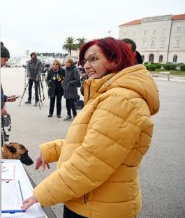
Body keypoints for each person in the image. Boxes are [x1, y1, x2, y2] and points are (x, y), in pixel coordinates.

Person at [21, 37, 160, 218]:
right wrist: (52, 150)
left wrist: (41, 194)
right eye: (84, 61)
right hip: (89, 200)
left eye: (94, 59)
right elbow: (94, 143)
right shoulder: (110, 94)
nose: (86, 65)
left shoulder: (121, 100)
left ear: (116, 60)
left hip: (98, 207)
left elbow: (90, 162)